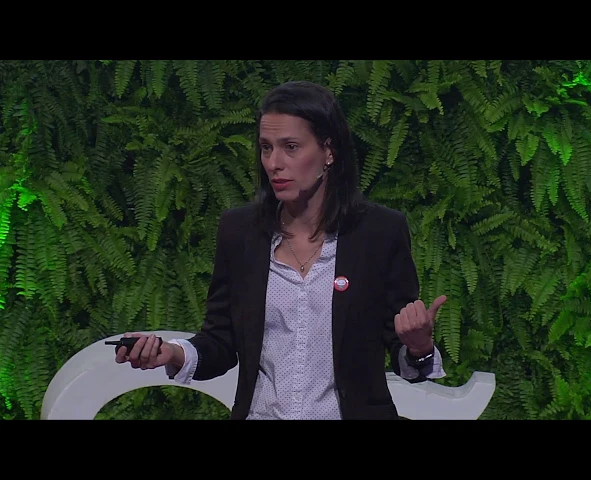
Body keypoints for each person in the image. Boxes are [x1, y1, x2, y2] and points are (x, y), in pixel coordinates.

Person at [115, 80, 447, 420]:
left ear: (329, 151)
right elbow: (220, 342)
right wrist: (172, 353)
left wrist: (419, 347)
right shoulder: (241, 232)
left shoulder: (379, 234)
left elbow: (408, 361)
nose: (274, 163)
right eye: (266, 148)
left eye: (290, 147)